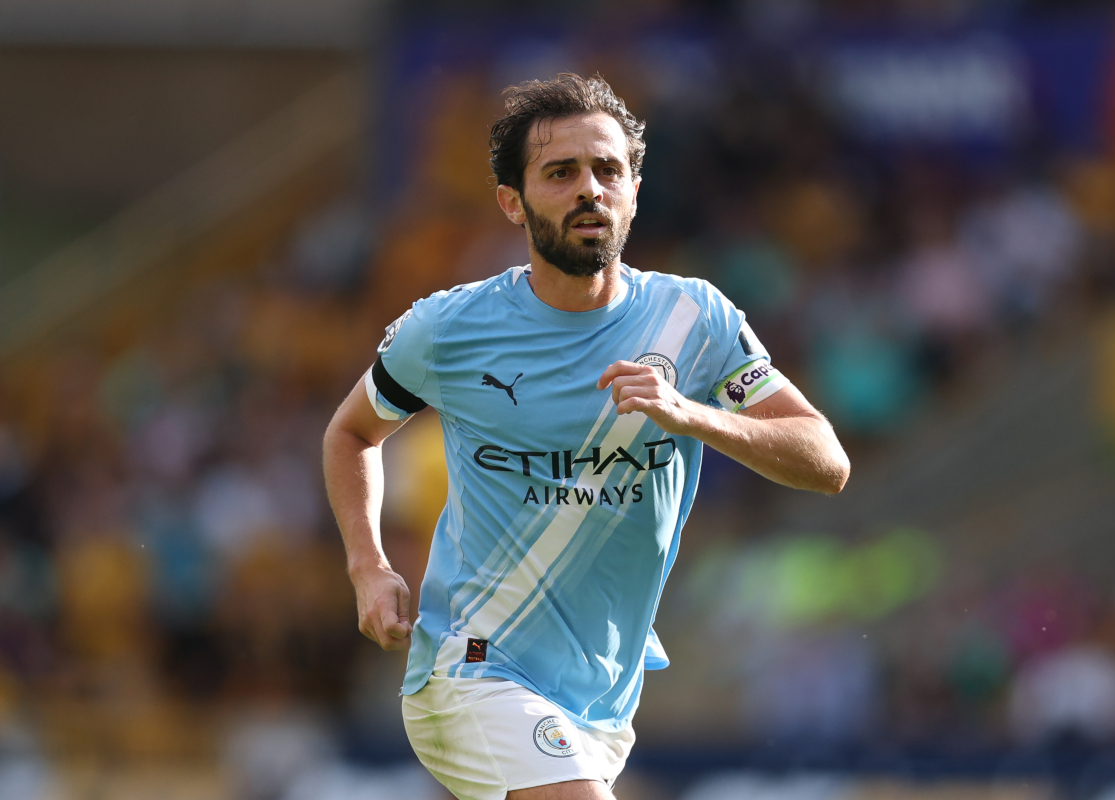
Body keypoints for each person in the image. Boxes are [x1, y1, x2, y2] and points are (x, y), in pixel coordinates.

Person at [322, 73, 850, 800]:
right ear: (512, 201)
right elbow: (353, 431)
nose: (589, 190)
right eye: (560, 172)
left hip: (600, 697)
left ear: (634, 190)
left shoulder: (693, 321)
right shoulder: (449, 328)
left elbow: (826, 461)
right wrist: (368, 566)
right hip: (472, 666)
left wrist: (692, 415)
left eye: (607, 170)